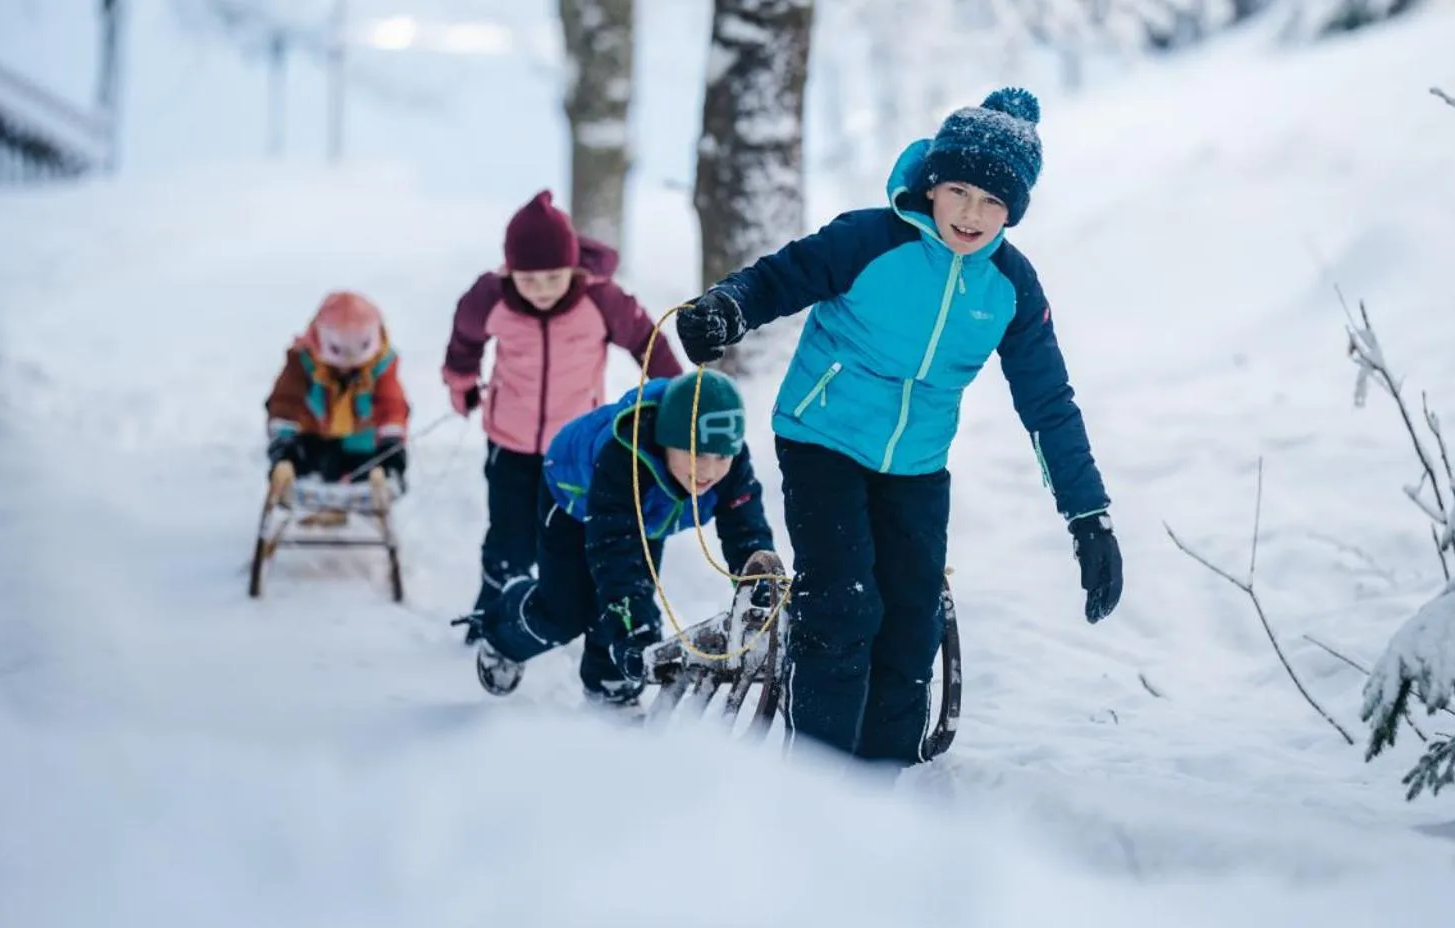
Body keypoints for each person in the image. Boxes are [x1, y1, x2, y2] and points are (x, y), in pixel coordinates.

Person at [672, 87, 1124, 766]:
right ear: (933, 184)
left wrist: (1088, 514)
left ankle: (884, 790)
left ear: (1014, 212)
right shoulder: (869, 238)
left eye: (994, 202)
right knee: (845, 605)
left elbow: (1048, 403)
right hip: (822, 435)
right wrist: (727, 308)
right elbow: (779, 278)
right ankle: (818, 779)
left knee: (909, 627)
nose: (972, 214)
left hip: (915, 463)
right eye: (960, 191)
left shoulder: (1010, 287)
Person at [443, 190, 684, 644]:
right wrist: (461, 383)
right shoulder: (489, 297)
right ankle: (494, 616)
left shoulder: (602, 300)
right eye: (526, 279)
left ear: (573, 268)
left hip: (576, 449)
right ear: (509, 271)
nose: (539, 289)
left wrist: (675, 399)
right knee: (509, 538)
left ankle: (574, 611)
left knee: (571, 537)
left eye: (551, 277)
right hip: (510, 441)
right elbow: (464, 339)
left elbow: (648, 344)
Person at [471, 369, 776, 703]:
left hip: (644, 518)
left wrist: (762, 593)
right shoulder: (625, 457)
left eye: (721, 456)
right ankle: (502, 633)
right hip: (573, 499)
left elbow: (746, 532)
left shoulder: (732, 465)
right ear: (666, 441)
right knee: (566, 612)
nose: (710, 471)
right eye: (696, 454)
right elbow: (616, 552)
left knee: (630, 602)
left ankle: (610, 687)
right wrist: (630, 627)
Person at [264, 291, 408, 501]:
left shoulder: (381, 365)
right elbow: (286, 403)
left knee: (371, 473)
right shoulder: (303, 361)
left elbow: (392, 405)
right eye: (341, 346)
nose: (349, 360)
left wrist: (392, 444)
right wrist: (284, 445)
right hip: (312, 442)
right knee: (305, 469)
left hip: (363, 446)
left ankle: (371, 502)